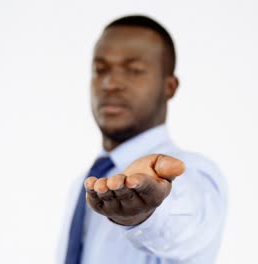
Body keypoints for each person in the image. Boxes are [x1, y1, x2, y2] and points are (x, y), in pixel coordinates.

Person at [57, 15, 228, 264]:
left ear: (169, 87)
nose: (110, 83)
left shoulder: (192, 174)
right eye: (100, 69)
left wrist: (145, 214)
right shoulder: (82, 186)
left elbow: (186, 224)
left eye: (134, 70)